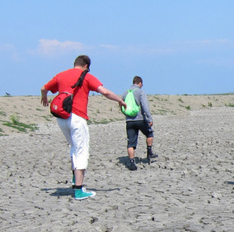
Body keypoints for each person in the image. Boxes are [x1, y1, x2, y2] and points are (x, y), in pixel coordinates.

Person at [41, 55, 125, 200]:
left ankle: (75, 181)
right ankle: (79, 191)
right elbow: (104, 92)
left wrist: (44, 97)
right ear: (86, 65)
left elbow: (44, 88)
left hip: (61, 118)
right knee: (81, 151)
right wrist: (120, 101)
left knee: (74, 148)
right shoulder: (86, 76)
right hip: (77, 118)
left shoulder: (61, 75)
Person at [124, 75, 155, 171]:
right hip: (140, 119)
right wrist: (149, 118)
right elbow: (145, 106)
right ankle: (149, 152)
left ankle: (132, 163)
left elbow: (122, 106)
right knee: (149, 133)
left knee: (131, 143)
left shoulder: (125, 93)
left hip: (129, 120)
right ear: (140, 83)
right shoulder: (140, 92)